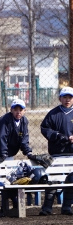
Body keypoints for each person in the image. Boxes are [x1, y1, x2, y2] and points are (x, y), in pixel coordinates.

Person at [0, 98, 35, 216]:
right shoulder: (5, 120)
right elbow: (1, 137)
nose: (18, 112)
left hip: (8, 154)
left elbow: (24, 140)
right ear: (11, 110)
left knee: (8, 180)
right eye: (15, 109)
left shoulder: (24, 121)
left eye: (21, 109)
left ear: (24, 111)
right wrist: (3, 153)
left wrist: (28, 153)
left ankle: (6, 208)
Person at [39, 87, 73, 216]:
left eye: (70, 97)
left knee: (71, 179)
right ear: (60, 98)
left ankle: (67, 207)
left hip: (71, 153)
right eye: (65, 97)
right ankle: (47, 207)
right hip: (57, 153)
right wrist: (57, 135)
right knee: (53, 180)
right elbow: (44, 128)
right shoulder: (53, 113)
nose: (67, 100)